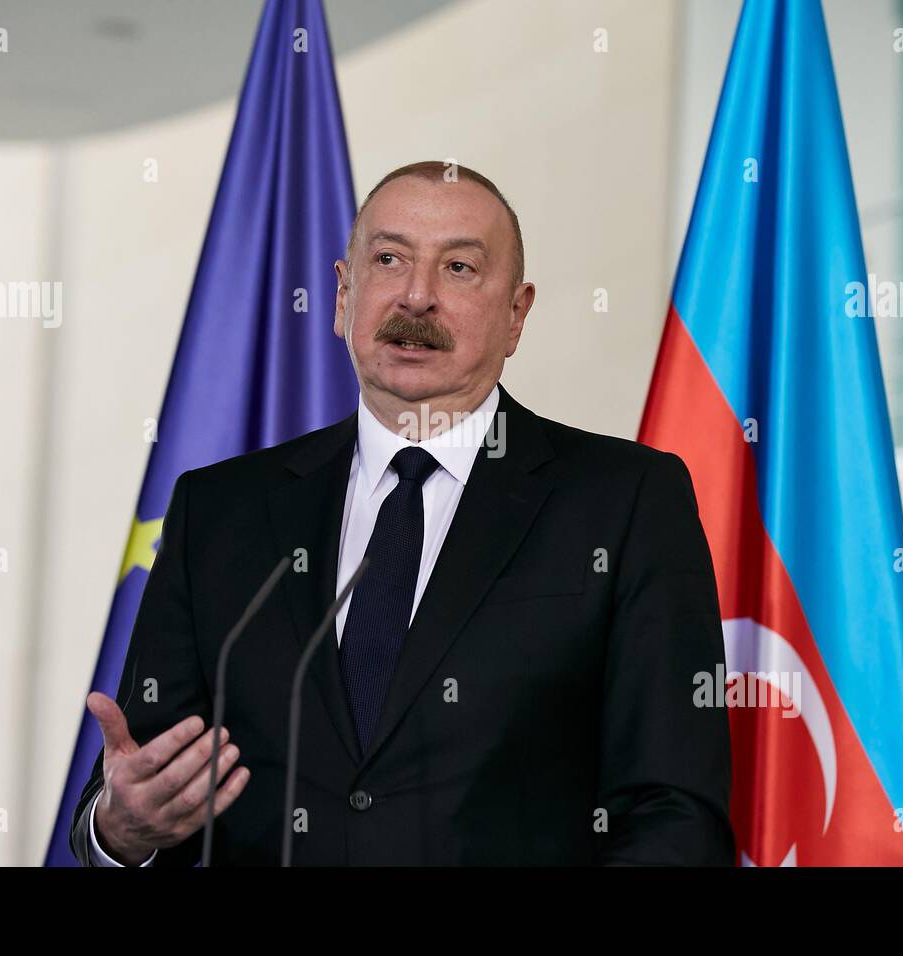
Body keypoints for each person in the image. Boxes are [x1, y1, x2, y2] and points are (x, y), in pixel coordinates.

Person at [70, 161, 735, 866]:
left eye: (457, 268)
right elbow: (128, 788)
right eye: (388, 260)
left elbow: (675, 814)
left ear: (516, 314)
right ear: (341, 295)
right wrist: (119, 829)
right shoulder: (219, 511)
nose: (416, 297)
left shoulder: (623, 500)